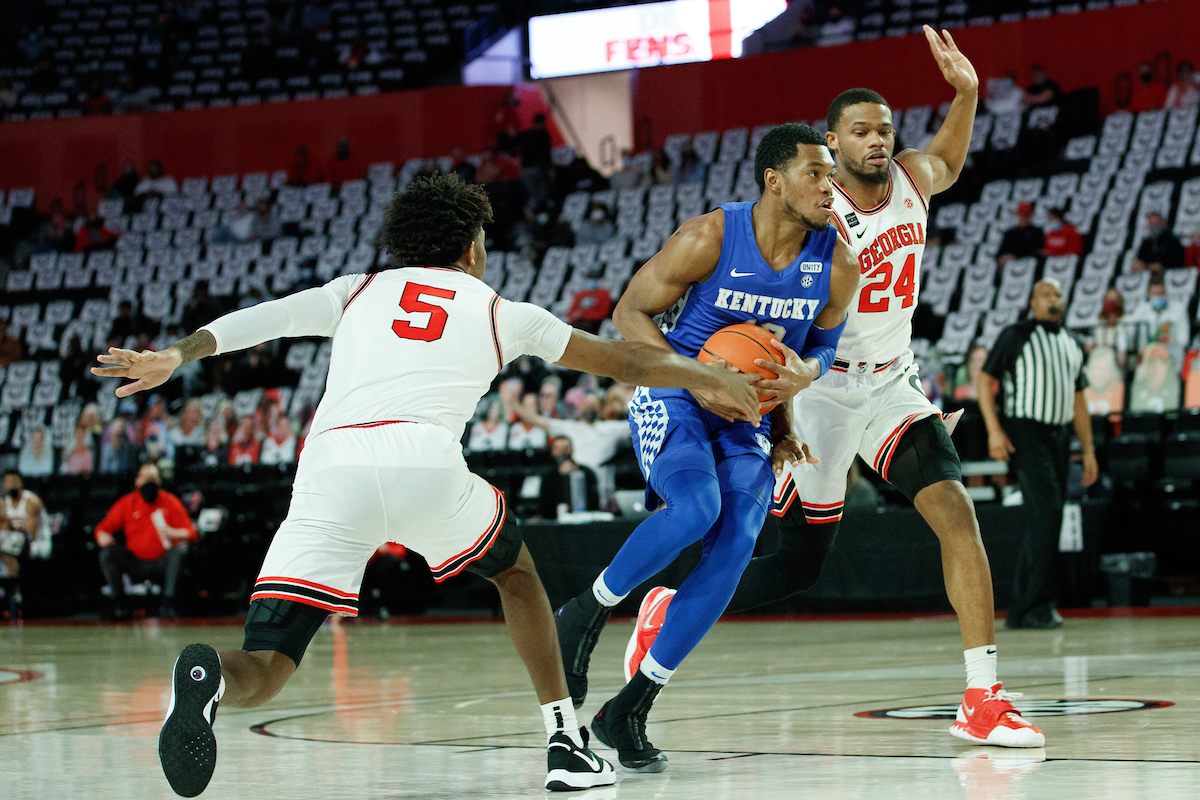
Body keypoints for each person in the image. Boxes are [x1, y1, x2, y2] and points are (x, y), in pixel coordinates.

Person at [93, 172, 759, 796]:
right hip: (422, 462)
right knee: (517, 575)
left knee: (266, 665)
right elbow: (622, 361)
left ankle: (210, 677)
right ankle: (565, 742)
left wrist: (176, 354)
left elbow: (262, 319)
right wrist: (706, 375)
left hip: (330, 471)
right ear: (470, 249)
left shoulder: (355, 289)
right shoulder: (500, 311)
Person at [630, 27, 1045, 750]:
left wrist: (968, 93)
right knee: (800, 564)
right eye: (860, 131)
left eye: (884, 129)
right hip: (818, 390)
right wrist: (771, 401)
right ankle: (668, 609)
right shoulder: (812, 212)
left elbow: (949, 158)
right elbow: (768, 303)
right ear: (831, 144)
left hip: (892, 386)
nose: (877, 140)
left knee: (956, 512)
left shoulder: (912, 180)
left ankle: (982, 697)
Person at [552, 121, 857, 772]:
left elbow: (818, 349)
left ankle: (629, 708)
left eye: (832, 175)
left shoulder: (837, 264)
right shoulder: (710, 237)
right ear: (775, 181)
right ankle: (583, 613)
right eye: (815, 173)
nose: (830, 187)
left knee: (740, 537)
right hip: (675, 395)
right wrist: (699, 377)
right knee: (698, 507)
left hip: (748, 414)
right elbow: (629, 313)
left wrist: (798, 392)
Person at [976, 279, 1097, 629]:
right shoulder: (1016, 335)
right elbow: (984, 380)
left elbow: (1079, 400)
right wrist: (994, 430)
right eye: (1045, 294)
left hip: (1059, 436)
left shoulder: (1073, 342)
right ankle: (1035, 605)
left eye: (1058, 294)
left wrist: (1088, 450)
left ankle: (1025, 607)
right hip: (1026, 432)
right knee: (1048, 511)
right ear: (1032, 301)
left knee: (1045, 518)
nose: (1053, 299)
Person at [94, 463, 196, 620]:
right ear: (137, 481)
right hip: (135, 561)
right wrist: (102, 536)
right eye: (146, 479)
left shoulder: (170, 501)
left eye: (153, 479)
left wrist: (172, 532)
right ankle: (120, 604)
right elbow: (102, 528)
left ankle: (168, 603)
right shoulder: (128, 502)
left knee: (179, 552)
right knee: (107, 554)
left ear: (159, 481)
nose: (149, 483)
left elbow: (191, 533)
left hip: (161, 561)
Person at [2, 471, 49, 617]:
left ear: (20, 482)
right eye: (7, 481)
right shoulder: (4, 503)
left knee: (10, 550)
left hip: (38, 543)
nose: (11, 485)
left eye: (14, 481)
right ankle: (10, 595)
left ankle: (15, 597)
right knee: (6, 550)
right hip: (14, 543)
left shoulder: (31, 501)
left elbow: (30, 534)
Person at [1128, 274, 1191, 370]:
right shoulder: (1141, 309)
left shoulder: (1178, 309)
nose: (1158, 296)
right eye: (1155, 293)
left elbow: (1184, 339)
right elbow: (1129, 331)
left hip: (1171, 357)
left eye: (1161, 293)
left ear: (1166, 292)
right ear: (1148, 294)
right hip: (1147, 357)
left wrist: (1170, 337)